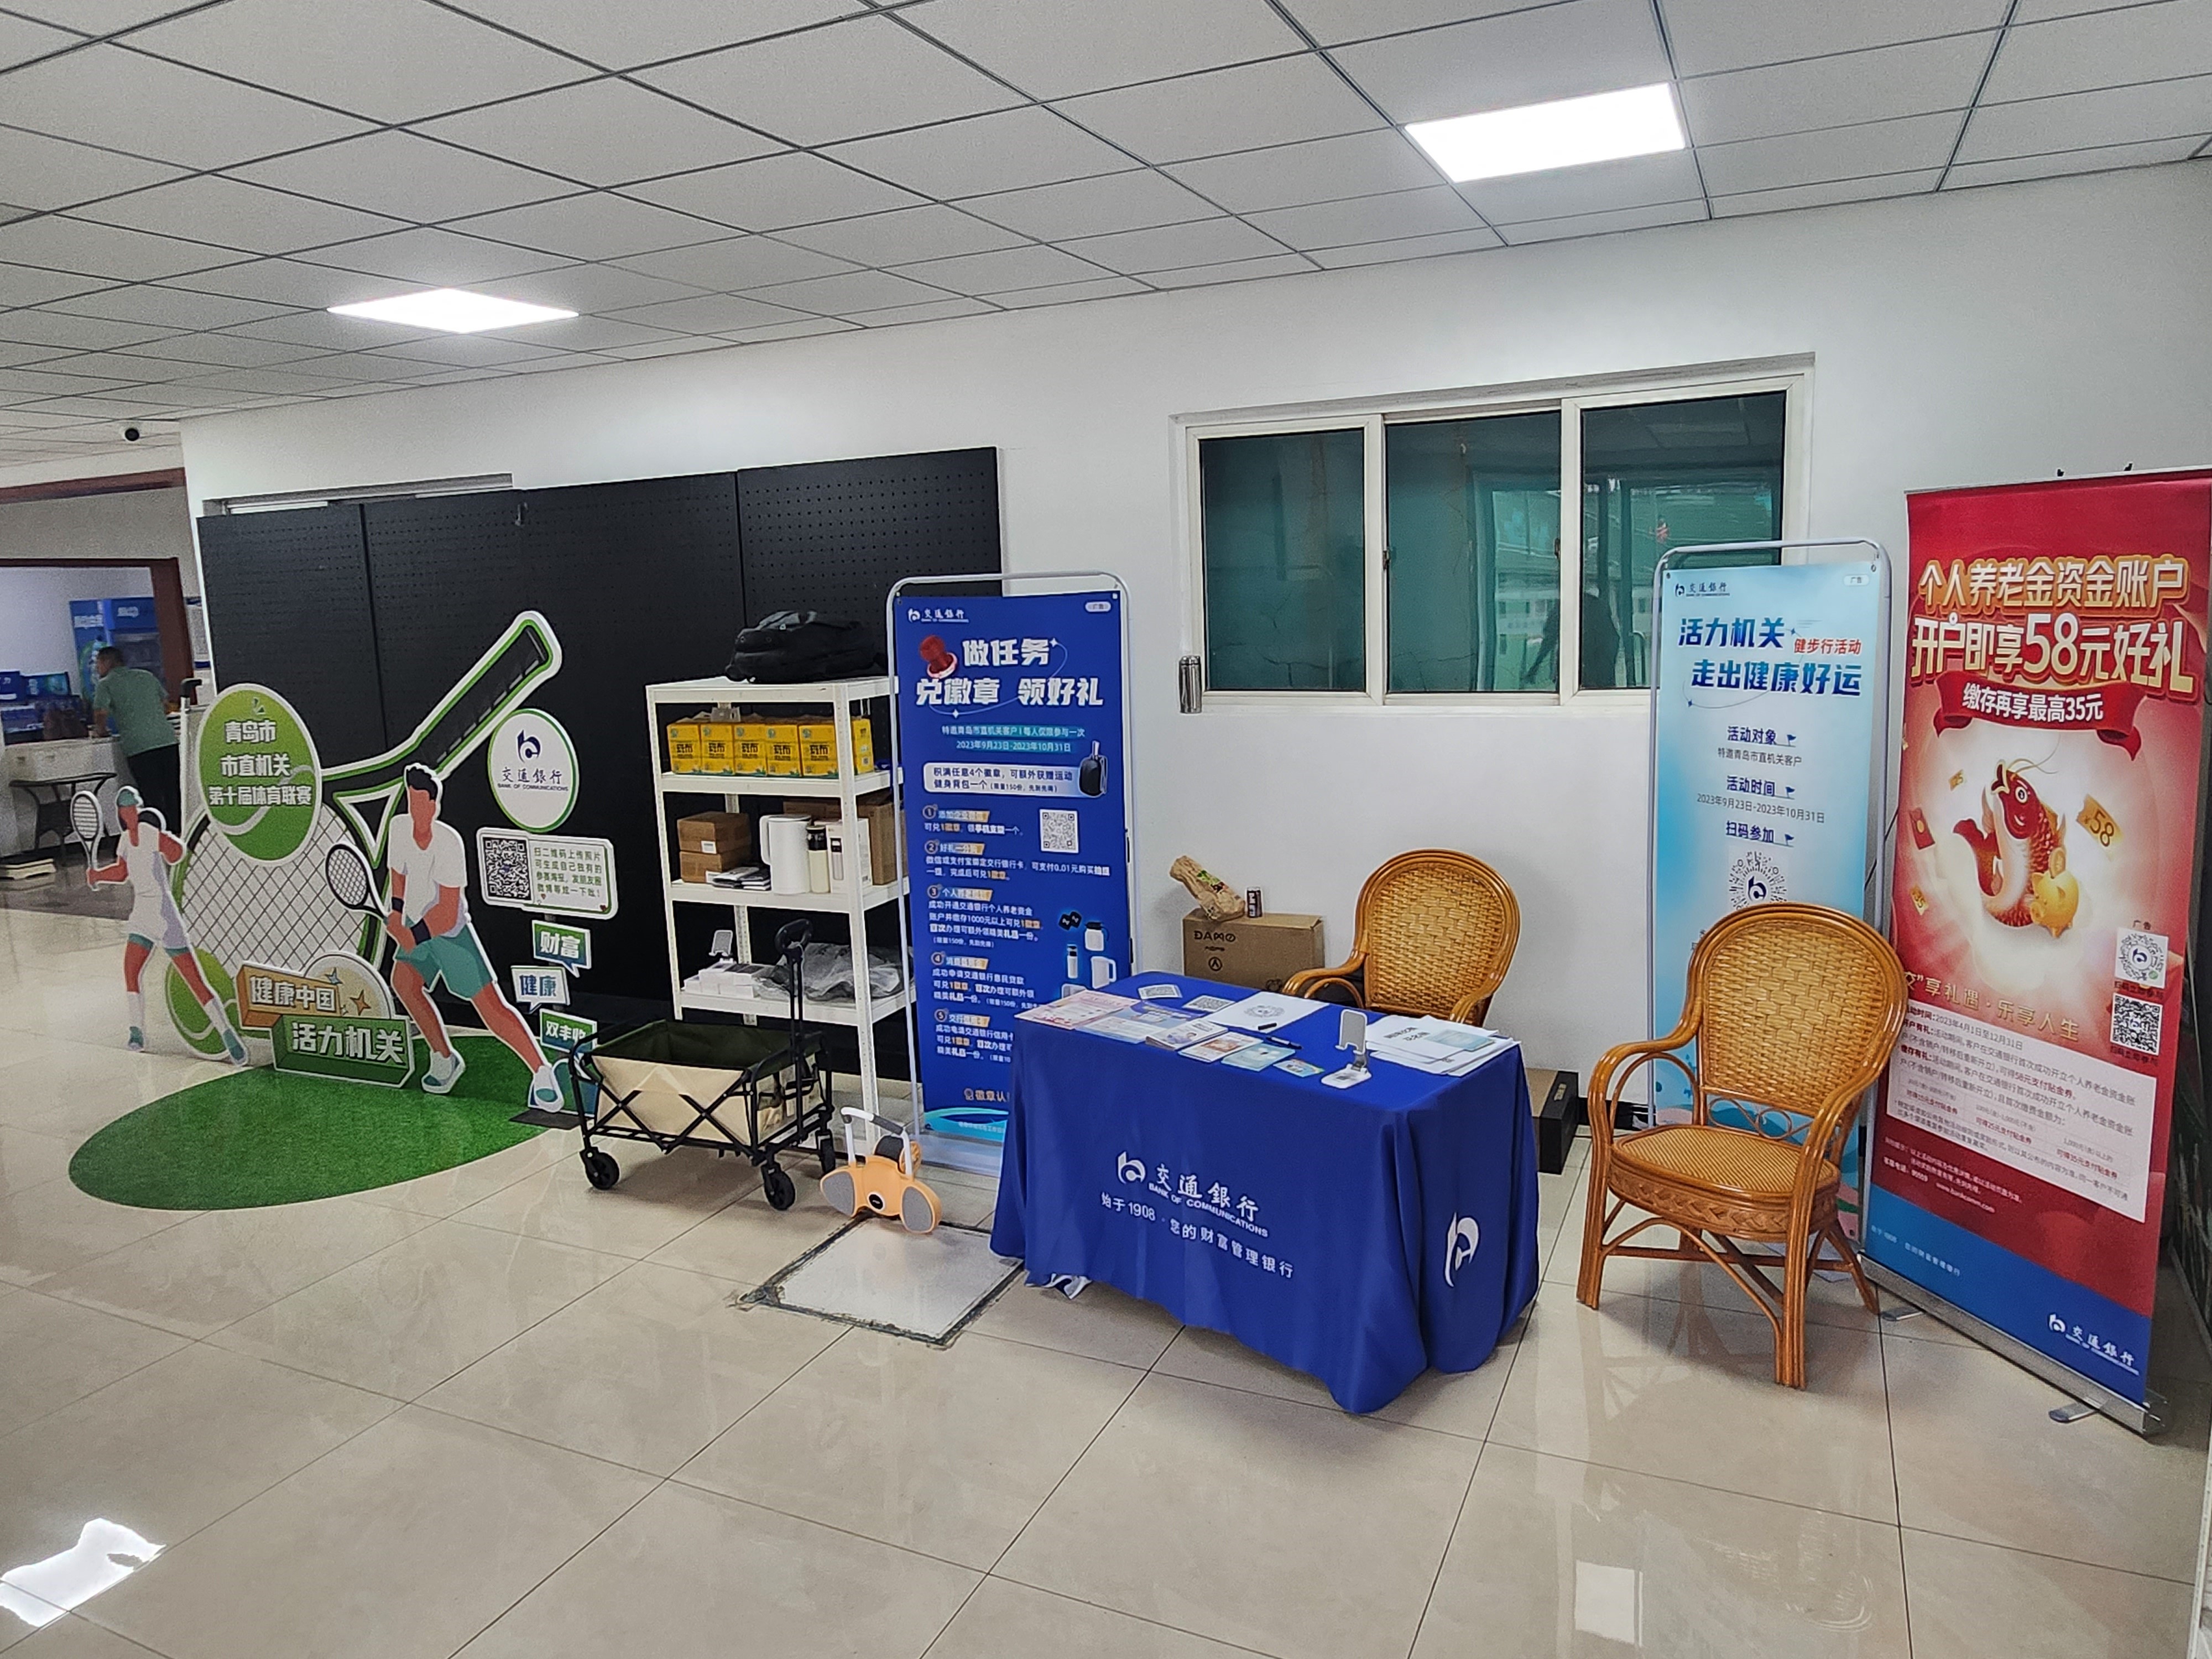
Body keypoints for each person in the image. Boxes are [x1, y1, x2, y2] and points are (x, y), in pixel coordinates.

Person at [383, 764, 562, 1109]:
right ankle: (444, 1058)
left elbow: (447, 910)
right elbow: (398, 874)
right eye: (410, 802)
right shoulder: (399, 828)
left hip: (451, 934)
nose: (415, 810)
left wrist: (413, 936)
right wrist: (396, 911)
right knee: (404, 983)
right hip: (415, 925)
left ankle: (542, 1072)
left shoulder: (449, 843)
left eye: (421, 803)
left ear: (434, 805)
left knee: (492, 1009)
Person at [87, 786, 247, 1063]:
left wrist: (166, 838)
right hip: (142, 915)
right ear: (121, 813)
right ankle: (136, 1031)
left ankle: (227, 1034)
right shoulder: (124, 841)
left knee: (194, 980)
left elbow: (175, 854)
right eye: (126, 809)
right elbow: (122, 872)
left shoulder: (149, 832)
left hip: (164, 915)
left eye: (134, 807)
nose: (130, 812)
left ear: (138, 808)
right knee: (131, 972)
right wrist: (98, 875)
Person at [90, 648, 181, 835]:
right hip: (167, 740)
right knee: (173, 790)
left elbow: (100, 713)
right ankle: (179, 831)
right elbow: (165, 705)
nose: (97, 668)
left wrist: (101, 731)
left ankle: (159, 834)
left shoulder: (106, 684)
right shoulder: (146, 676)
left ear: (107, 662)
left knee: (151, 792)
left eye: (98, 663)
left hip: (139, 746)